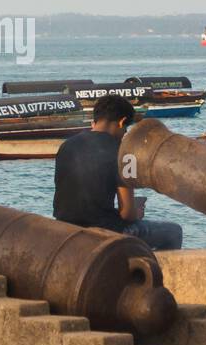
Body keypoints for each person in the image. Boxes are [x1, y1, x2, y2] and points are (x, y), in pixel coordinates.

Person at [53, 94, 183, 250]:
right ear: (121, 122)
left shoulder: (66, 146)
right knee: (174, 231)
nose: (124, 135)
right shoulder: (127, 156)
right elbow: (127, 213)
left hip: (64, 227)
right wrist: (137, 211)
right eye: (126, 129)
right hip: (103, 231)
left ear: (96, 119)